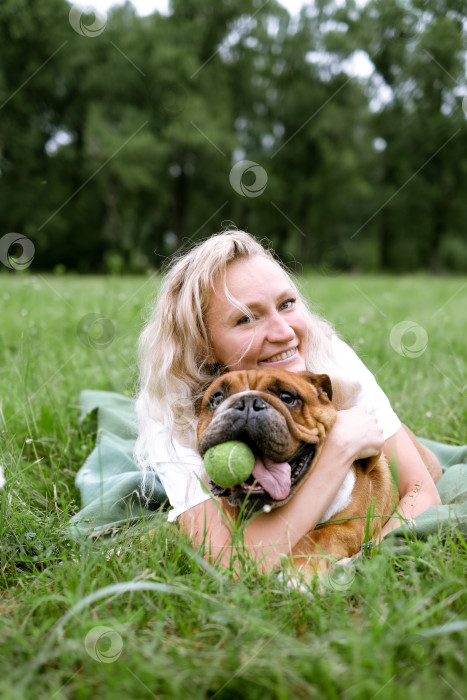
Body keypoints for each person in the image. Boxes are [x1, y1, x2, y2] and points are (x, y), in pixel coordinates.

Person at [134, 230, 442, 571]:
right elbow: (234, 564)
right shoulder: (171, 403)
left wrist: (364, 560)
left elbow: (422, 490)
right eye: (246, 318)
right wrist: (339, 446)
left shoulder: (330, 359)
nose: (284, 333)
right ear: (203, 345)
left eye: (286, 304)